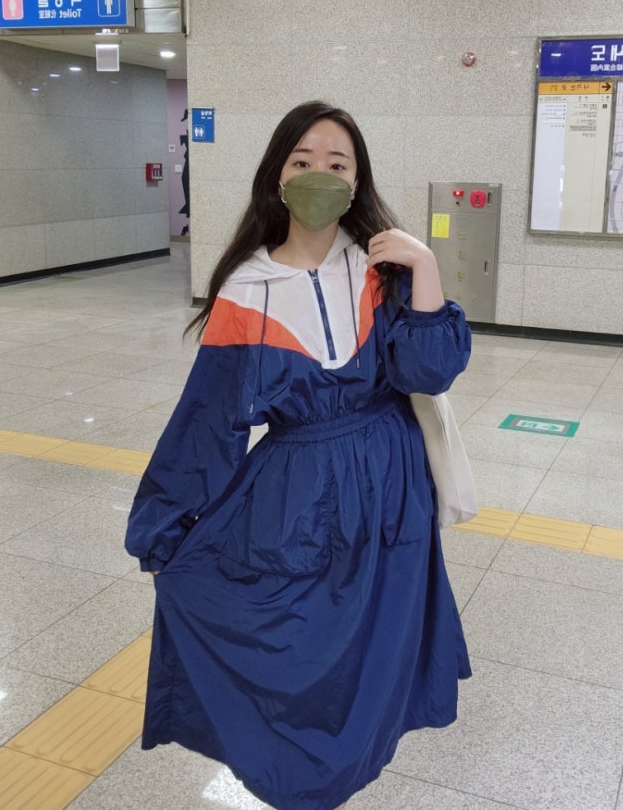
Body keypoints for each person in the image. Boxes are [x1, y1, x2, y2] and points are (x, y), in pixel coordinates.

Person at [125, 100, 472, 810]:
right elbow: (208, 421)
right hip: (301, 495)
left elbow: (429, 371)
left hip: (392, 489)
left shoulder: (383, 269)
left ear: (357, 180)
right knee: (300, 641)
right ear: (277, 177)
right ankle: (305, 780)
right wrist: (165, 527)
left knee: (376, 645)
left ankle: (354, 766)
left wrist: (427, 266)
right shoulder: (247, 289)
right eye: (303, 161)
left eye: (337, 164)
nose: (320, 175)